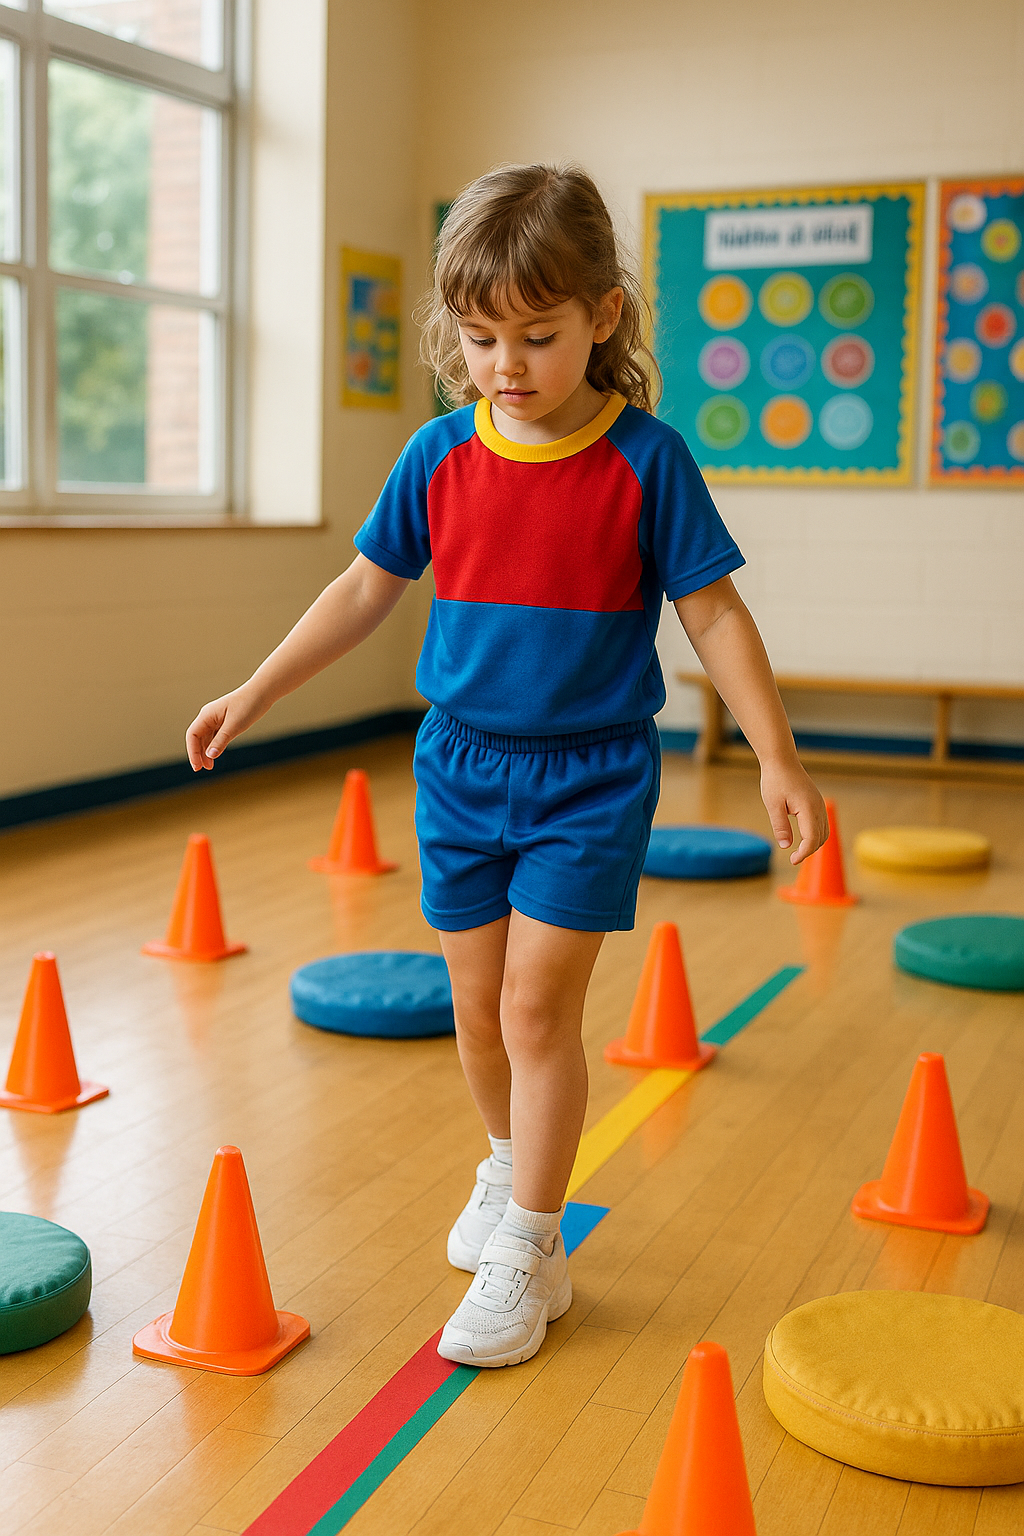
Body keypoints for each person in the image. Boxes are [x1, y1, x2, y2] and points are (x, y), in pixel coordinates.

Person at [186, 163, 828, 1370]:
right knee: (477, 1014)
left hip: (591, 774)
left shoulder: (647, 460)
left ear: (604, 317)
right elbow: (363, 587)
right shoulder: (438, 455)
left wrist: (774, 756)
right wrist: (255, 690)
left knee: (538, 1004)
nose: (506, 367)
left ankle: (534, 1245)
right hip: (460, 768)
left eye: (537, 336)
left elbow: (715, 617)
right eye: (480, 340)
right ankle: (504, 1168)